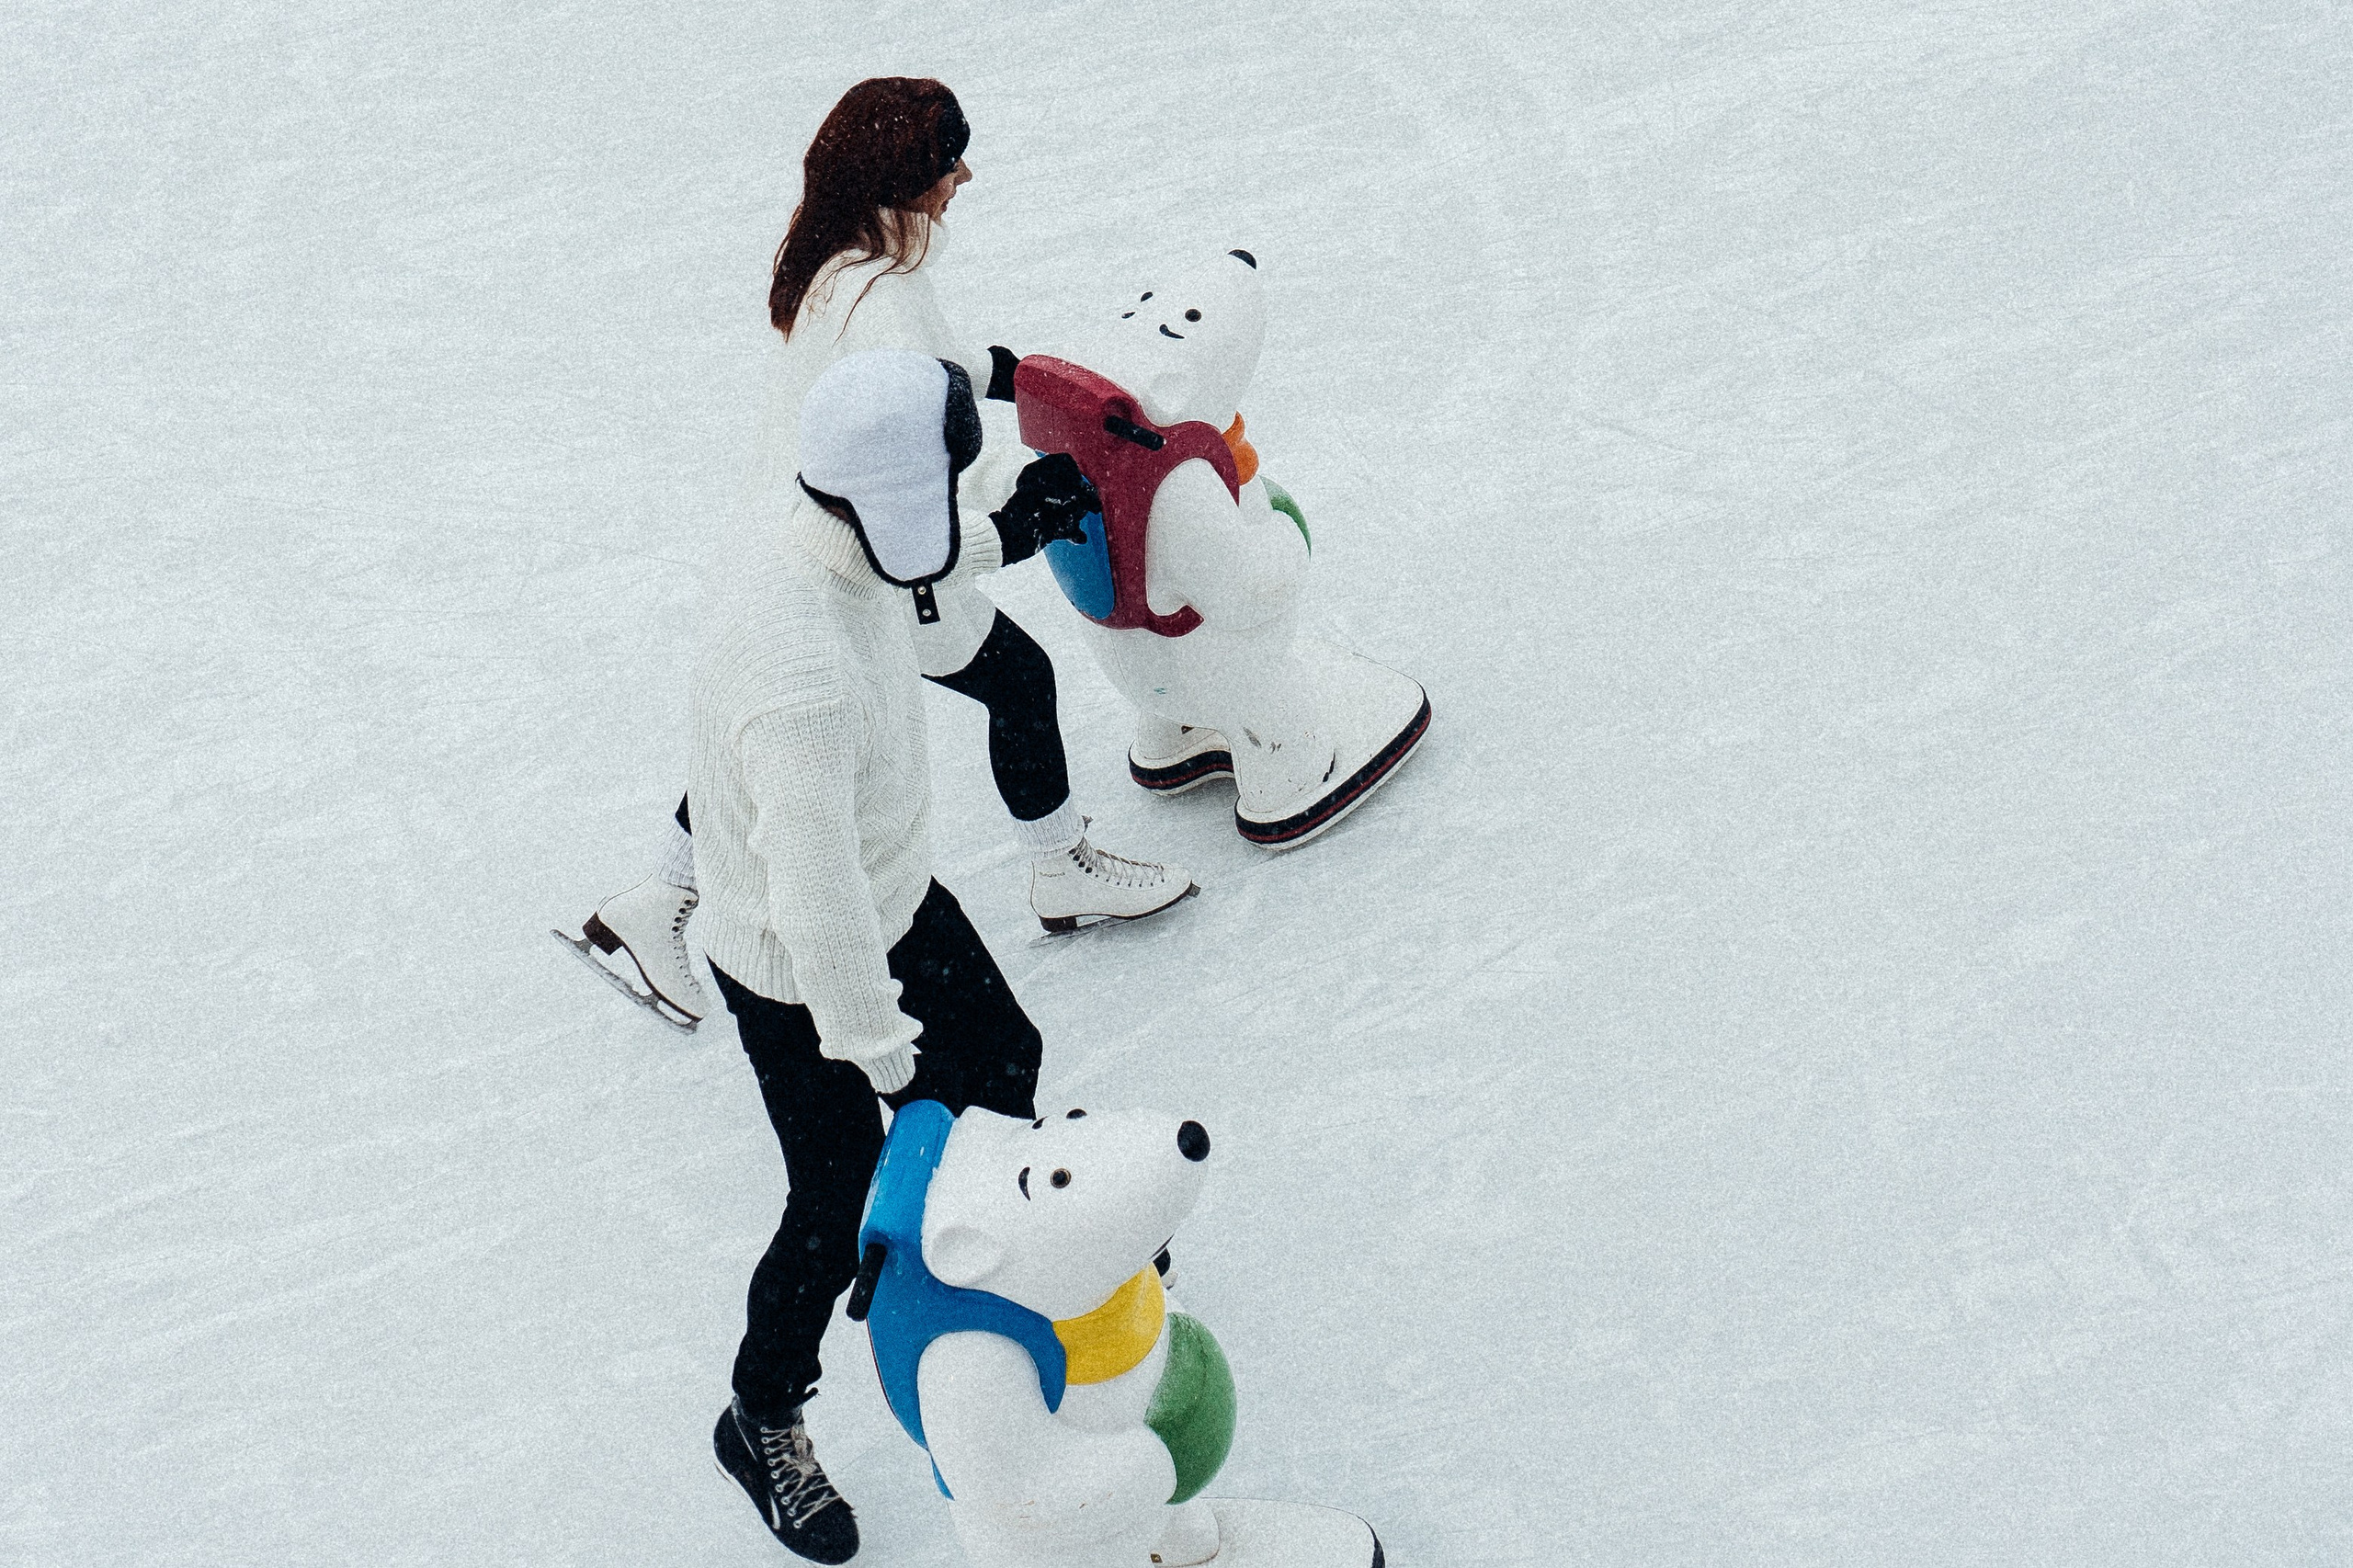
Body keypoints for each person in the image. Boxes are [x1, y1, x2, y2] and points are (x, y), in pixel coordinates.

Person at [568, 78, 1191, 1030]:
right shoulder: (885, 301)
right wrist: (1023, 525)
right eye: (949, 161)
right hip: (865, 564)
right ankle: (1062, 869)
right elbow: (916, 539)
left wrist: (1010, 373)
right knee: (1014, 684)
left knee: (772, 734)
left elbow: (920, 372)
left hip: (792, 541)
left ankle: (655, 901)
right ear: (901, 177)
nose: (965, 175)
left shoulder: (838, 264)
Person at [699, 348, 1088, 1560]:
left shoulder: (815, 525)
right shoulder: (800, 678)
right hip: (800, 958)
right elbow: (812, 897)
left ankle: (988, 1258)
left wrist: (1008, 534)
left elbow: (894, 560)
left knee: (1003, 1059)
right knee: (834, 1194)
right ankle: (759, 1411)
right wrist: (875, 1048)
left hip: (891, 894)